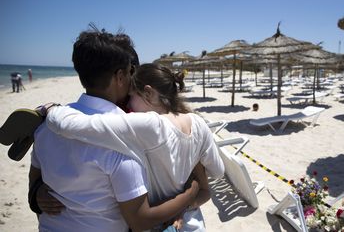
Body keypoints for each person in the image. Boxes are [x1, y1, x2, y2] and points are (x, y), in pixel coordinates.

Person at [29, 29, 200, 232]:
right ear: (120, 76)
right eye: (130, 73)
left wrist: (36, 192)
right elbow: (139, 221)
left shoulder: (45, 127)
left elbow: (35, 177)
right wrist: (191, 194)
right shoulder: (125, 139)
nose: (132, 80)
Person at [43, 63, 225, 231]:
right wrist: (188, 194)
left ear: (148, 93)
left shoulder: (151, 126)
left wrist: (51, 110)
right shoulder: (198, 123)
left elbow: (78, 126)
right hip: (193, 224)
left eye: (131, 95)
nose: (128, 104)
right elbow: (218, 172)